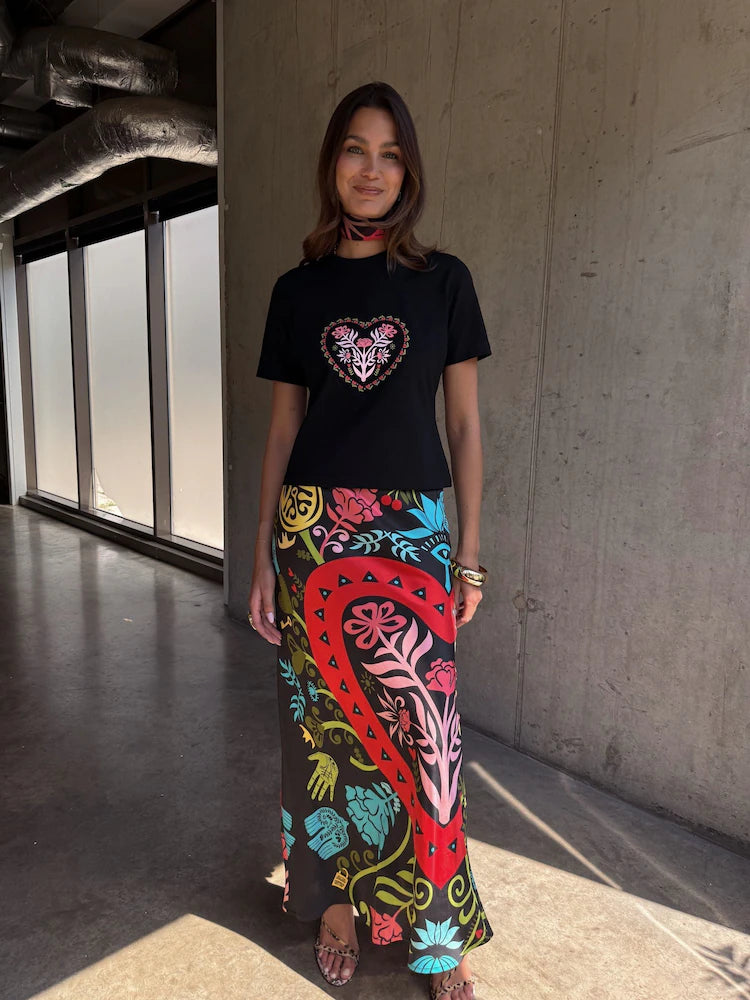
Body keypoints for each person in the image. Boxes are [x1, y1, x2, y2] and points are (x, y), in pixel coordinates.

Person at [248, 80, 493, 1000]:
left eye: (390, 154)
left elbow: (463, 426)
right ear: (333, 163)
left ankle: (437, 931)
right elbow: (283, 428)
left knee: (429, 741)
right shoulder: (298, 290)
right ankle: (336, 904)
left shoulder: (444, 282)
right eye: (356, 149)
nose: (372, 169)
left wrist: (470, 553)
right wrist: (263, 549)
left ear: (409, 171)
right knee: (324, 729)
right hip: (313, 534)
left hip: (413, 532)